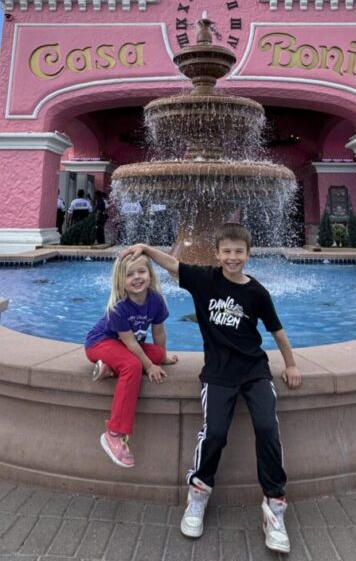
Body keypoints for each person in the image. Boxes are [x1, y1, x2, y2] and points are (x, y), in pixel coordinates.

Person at [123, 223, 301, 554]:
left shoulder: (257, 292)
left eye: (239, 252)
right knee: (215, 433)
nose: (233, 258)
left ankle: (274, 507)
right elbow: (173, 265)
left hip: (254, 371)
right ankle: (199, 493)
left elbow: (277, 331)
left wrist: (289, 364)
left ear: (248, 254)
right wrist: (146, 248)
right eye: (227, 252)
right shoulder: (205, 280)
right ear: (217, 254)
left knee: (267, 428)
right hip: (218, 374)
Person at [84, 253, 178, 468]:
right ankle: (114, 433)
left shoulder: (155, 300)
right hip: (101, 343)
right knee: (133, 364)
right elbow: (131, 344)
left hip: (123, 347)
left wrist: (160, 358)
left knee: (154, 353)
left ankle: (108, 369)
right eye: (130, 274)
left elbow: (159, 334)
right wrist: (149, 366)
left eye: (142, 272)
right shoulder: (119, 307)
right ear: (120, 281)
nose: (137, 277)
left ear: (150, 275)